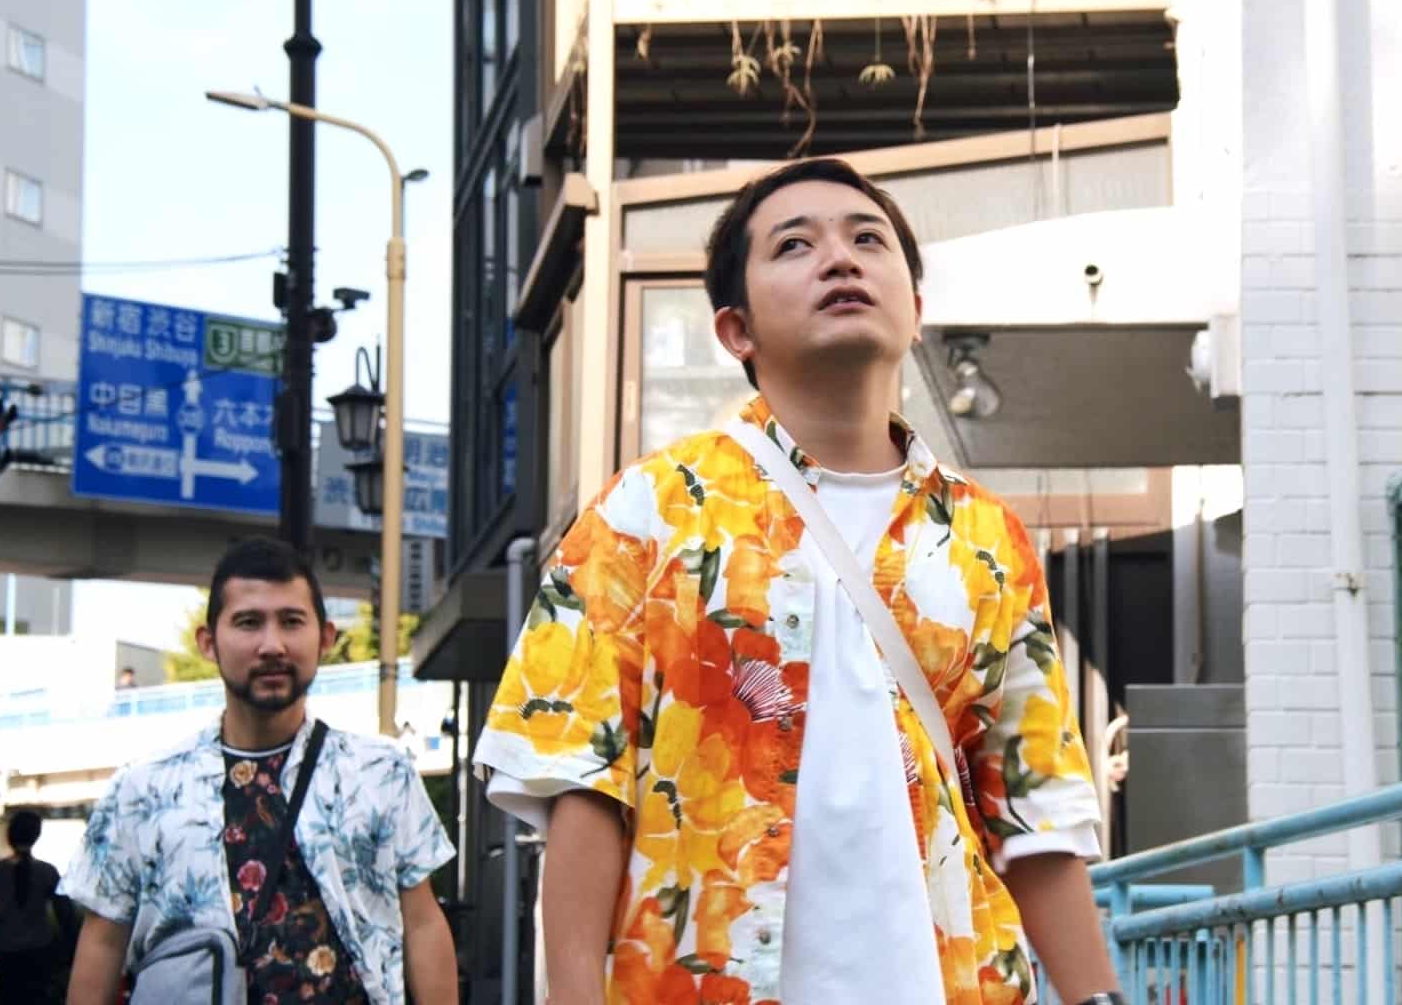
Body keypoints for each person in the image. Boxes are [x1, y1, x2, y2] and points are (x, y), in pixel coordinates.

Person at [473, 159, 1124, 1004]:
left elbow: (1035, 816)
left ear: (915, 309)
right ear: (735, 330)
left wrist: (1096, 997)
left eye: (868, 239)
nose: (841, 258)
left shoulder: (987, 537)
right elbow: (586, 785)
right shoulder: (647, 511)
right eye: (794, 245)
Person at [61, 538, 460, 1005]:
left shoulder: (381, 772)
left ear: (325, 638)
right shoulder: (142, 789)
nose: (272, 645)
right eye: (248, 623)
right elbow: (103, 941)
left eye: (291, 622)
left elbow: (422, 923)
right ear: (208, 642)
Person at [0, 810, 77, 1004]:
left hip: (1, 955)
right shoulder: (48, 872)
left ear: (9, 835)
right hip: (38, 955)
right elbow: (66, 917)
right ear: (36, 836)